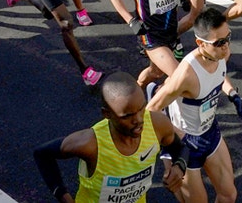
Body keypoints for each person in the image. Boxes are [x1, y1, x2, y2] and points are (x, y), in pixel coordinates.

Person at [33, 72, 188, 203]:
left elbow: (180, 149)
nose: (139, 120)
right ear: (107, 114)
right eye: (127, 116)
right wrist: (63, 196)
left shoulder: (157, 125)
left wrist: (179, 167)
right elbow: (42, 154)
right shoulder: (90, 144)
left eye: (141, 108)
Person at [148, 7, 242, 203]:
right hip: (186, 142)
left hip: (210, 132)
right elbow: (150, 110)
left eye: (228, 37)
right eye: (219, 42)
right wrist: (176, 136)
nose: (226, 46)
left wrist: (232, 93)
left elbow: (219, 74)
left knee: (229, 196)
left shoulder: (220, 54)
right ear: (200, 44)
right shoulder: (186, 75)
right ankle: (169, 163)